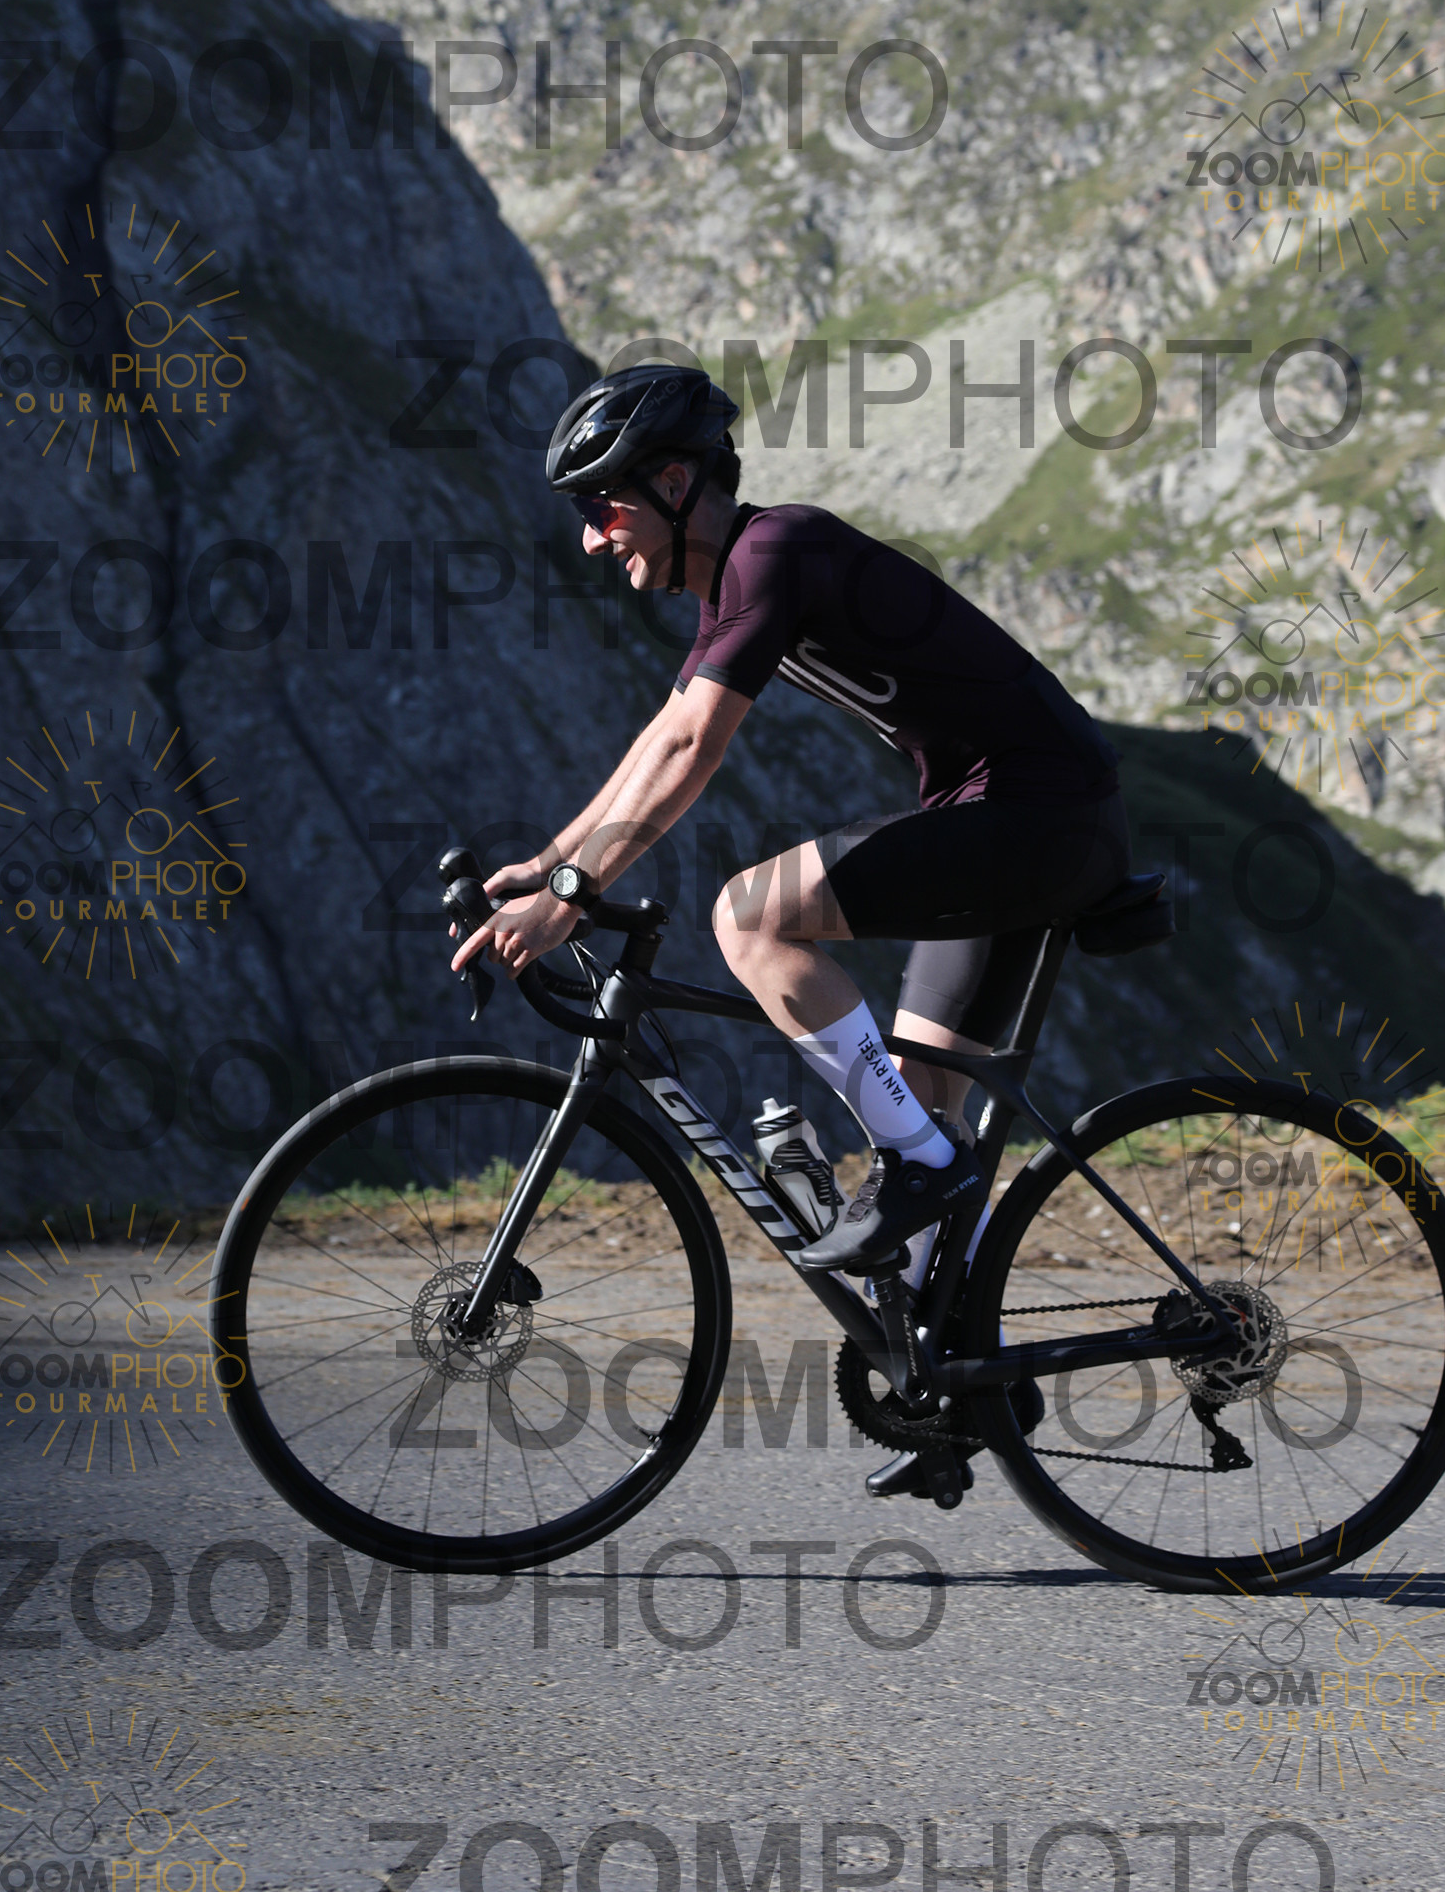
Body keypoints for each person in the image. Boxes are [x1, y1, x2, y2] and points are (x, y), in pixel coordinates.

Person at [453, 363, 1131, 1497]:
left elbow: (693, 751)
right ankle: (960, 1392)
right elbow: (662, 734)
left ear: (675, 484)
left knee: (750, 917)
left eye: (601, 505)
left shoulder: (778, 550)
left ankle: (916, 1172)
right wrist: (551, 861)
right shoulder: (739, 579)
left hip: (1037, 819)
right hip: (1018, 820)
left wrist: (570, 888)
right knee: (925, 1115)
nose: (590, 537)